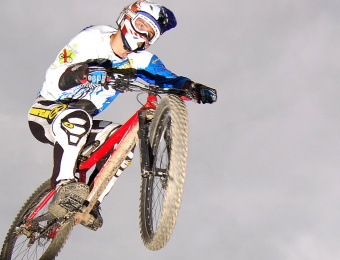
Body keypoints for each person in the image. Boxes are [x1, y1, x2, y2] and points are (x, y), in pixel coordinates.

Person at [27, 2, 216, 227]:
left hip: (84, 121)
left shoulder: (141, 61)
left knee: (122, 141)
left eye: (150, 33)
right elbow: (55, 76)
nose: (143, 34)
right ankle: (63, 186)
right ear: (126, 19)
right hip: (48, 111)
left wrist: (193, 88)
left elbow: (167, 79)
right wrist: (84, 72)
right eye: (141, 25)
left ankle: (91, 203)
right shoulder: (93, 37)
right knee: (77, 119)